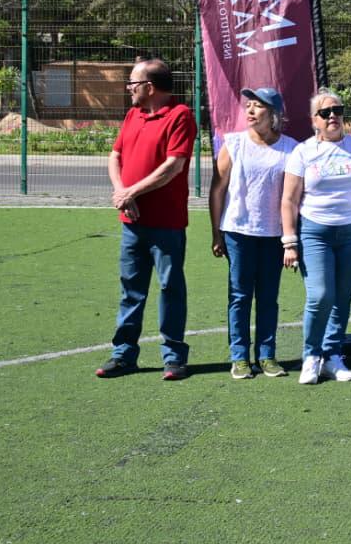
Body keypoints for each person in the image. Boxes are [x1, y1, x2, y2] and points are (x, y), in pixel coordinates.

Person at [95, 56, 197, 381]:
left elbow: (173, 167)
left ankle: (174, 357)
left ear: (149, 87)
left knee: (170, 288)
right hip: (132, 224)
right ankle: (124, 355)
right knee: (131, 290)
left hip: (166, 224)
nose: (129, 89)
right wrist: (123, 193)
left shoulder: (180, 116)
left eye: (133, 83)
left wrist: (130, 193)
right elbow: (116, 156)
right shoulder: (132, 115)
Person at [281, 89, 351, 385]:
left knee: (342, 298)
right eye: (324, 112)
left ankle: (333, 355)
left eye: (337, 110)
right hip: (315, 231)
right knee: (320, 296)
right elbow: (289, 200)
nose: (332, 116)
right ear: (313, 121)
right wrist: (290, 241)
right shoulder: (303, 152)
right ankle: (311, 355)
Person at [208, 87, 298, 380]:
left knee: (268, 297)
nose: (250, 111)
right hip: (238, 232)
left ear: (273, 115)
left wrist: (291, 239)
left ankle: (267, 355)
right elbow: (217, 190)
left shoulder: (291, 148)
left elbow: (295, 197)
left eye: (258, 106)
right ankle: (239, 357)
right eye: (248, 105)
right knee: (240, 295)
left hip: (273, 235)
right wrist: (216, 233)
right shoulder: (233, 144)